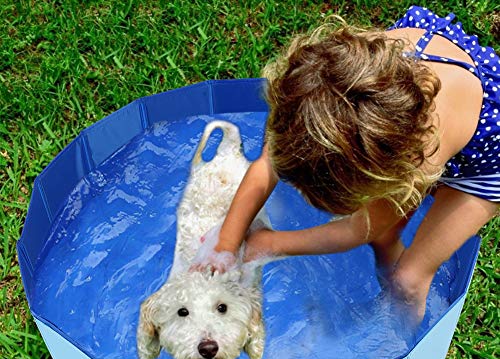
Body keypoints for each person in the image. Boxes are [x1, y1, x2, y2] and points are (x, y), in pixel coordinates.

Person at [191, 6, 499, 319]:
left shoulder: (422, 157)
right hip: (413, 93)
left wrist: (270, 243)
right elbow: (268, 162)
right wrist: (227, 241)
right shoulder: (315, 89)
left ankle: (402, 355)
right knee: (384, 231)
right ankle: (388, 241)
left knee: (407, 281)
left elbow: (357, 229)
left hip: (489, 155)